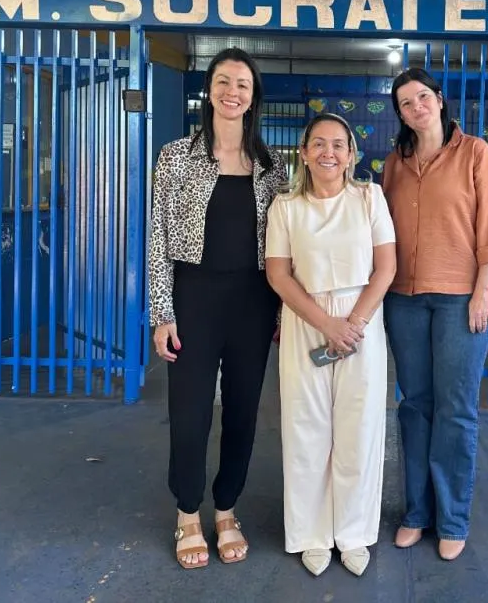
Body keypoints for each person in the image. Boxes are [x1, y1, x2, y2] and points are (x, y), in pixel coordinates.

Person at [148, 47, 286, 570]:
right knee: (189, 414)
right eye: (224, 81)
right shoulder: (176, 155)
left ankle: (226, 509)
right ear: (210, 91)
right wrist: (163, 312)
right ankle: (187, 512)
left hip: (252, 302)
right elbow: (158, 236)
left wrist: (279, 312)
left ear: (253, 99)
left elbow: (281, 246)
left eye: (243, 85)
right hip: (193, 299)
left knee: (245, 414)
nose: (233, 92)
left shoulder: (269, 166)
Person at [381, 67, 488, 562]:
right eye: (405, 103)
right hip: (404, 299)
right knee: (415, 406)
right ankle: (417, 512)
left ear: (439, 99)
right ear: (400, 113)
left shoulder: (475, 154)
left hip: (462, 297)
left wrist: (483, 291)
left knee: (455, 410)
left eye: (422, 97)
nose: (416, 107)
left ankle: (452, 518)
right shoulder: (395, 163)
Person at [265, 113, 397, 578]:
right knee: (307, 430)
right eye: (318, 144)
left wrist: (353, 324)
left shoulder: (369, 198)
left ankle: (355, 532)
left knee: (359, 430)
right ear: (303, 153)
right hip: (307, 322)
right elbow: (278, 274)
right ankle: (312, 534)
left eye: (338, 144)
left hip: (362, 321)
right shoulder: (286, 207)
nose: (328, 152)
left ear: (351, 155)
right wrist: (327, 325)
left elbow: (386, 268)